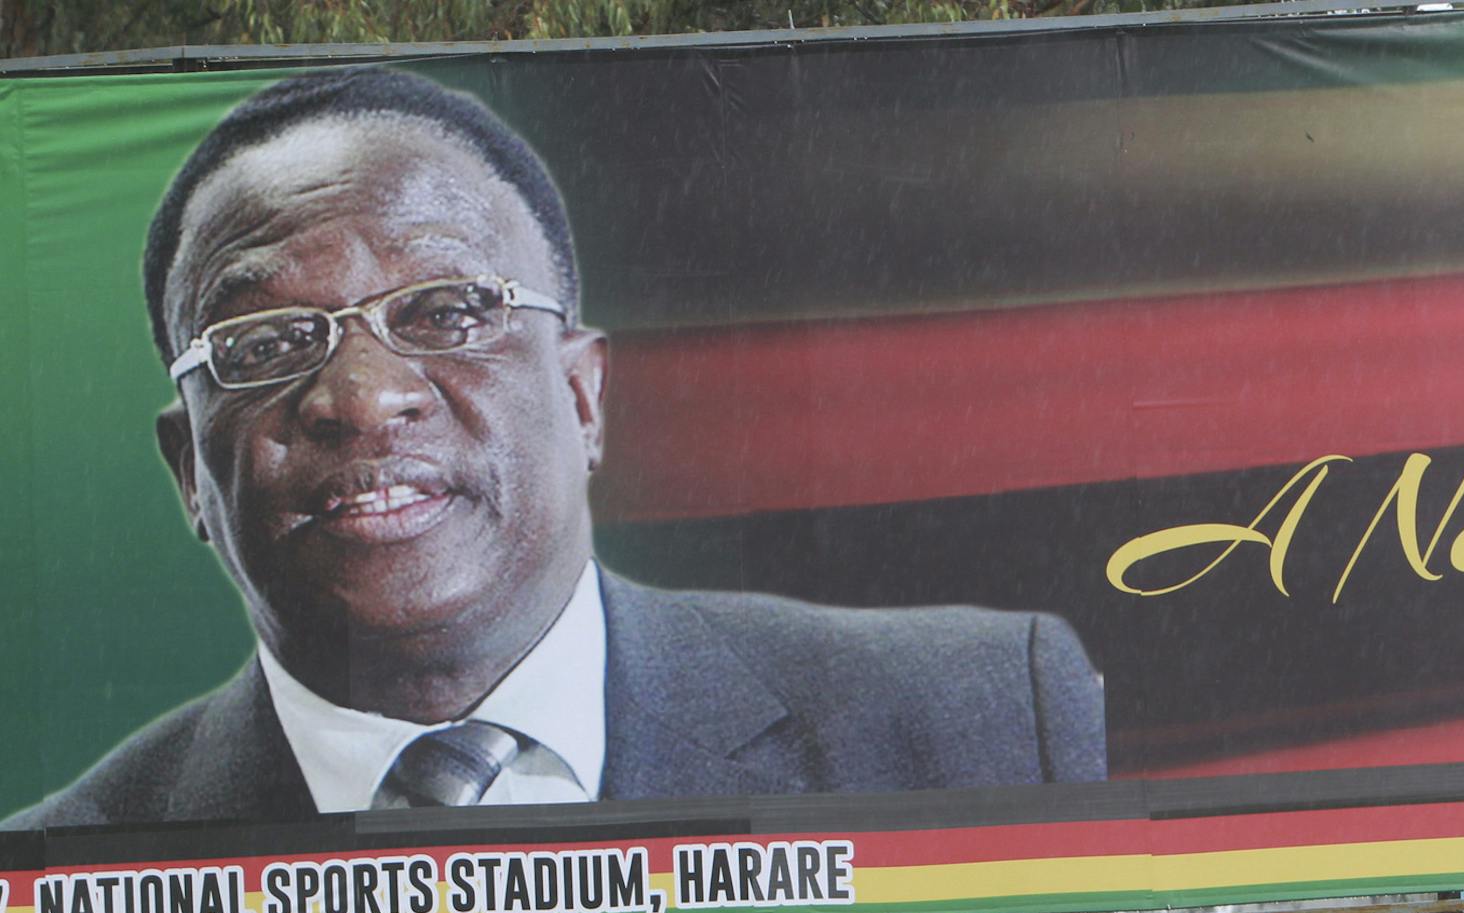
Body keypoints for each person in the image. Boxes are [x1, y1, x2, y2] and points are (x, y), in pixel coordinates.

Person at [4, 66, 1105, 833]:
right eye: (270, 341)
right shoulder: (62, 859)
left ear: (583, 398)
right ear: (191, 472)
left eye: (446, 311)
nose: (363, 396)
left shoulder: (987, 718)